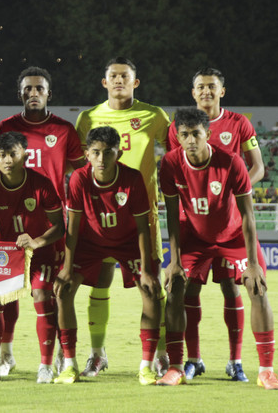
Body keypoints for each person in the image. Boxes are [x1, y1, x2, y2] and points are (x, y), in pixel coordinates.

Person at [158, 107, 278, 390]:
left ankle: (266, 371)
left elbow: (248, 216)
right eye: (184, 135)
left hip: (233, 236)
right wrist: (174, 260)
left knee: (257, 287)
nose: (190, 140)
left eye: (196, 134)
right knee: (175, 287)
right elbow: (171, 216)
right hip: (194, 238)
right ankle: (176, 367)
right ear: (177, 137)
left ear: (208, 134)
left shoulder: (232, 163)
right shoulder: (169, 164)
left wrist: (252, 262)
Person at [167, 68, 265, 382]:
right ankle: (193, 360)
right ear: (192, 92)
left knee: (231, 287)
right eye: (200, 86)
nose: (206, 91)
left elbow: (257, 166)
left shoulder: (239, 123)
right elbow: (180, 171)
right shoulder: (180, 126)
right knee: (187, 290)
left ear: (222, 90)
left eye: (212, 86)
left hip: (230, 222)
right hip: (194, 224)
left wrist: (232, 191)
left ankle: (235, 361)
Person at [75, 57, 170, 377]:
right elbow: (78, 165)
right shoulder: (88, 118)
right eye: (112, 76)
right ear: (104, 82)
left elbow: (175, 156)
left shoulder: (153, 115)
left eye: (124, 76)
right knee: (99, 283)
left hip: (142, 215)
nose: (118, 80)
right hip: (99, 216)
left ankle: (159, 354)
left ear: (135, 82)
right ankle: (97, 354)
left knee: (153, 285)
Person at [53, 126, 161, 385]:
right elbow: (73, 226)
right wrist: (67, 268)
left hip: (127, 242)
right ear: (87, 154)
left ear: (119, 153)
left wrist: (146, 269)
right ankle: (69, 365)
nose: (102, 159)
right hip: (91, 243)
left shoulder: (132, 179)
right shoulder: (78, 178)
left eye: (108, 153)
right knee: (64, 291)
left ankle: (147, 366)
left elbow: (142, 227)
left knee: (150, 291)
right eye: (96, 153)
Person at [0, 66, 85, 375]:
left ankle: (56, 356)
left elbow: (82, 173)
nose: (33, 93)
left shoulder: (63, 130)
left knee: (47, 293)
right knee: (4, 293)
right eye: (27, 88)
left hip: (49, 226)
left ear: (49, 93)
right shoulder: (5, 127)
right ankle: (6, 354)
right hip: (10, 226)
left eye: (39, 88)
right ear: (19, 93)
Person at [0, 131, 65, 384]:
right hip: (6, 256)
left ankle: (45, 366)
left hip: (40, 253)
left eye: (13, 153)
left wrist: (36, 242)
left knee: (42, 295)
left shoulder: (41, 184)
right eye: (2, 155)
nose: (8, 159)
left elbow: (59, 226)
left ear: (25, 155)